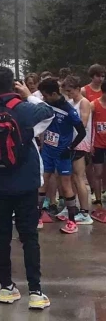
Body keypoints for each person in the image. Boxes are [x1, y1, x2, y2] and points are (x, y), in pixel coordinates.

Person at [0, 67, 54, 310]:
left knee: (0, 237)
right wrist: (29, 95)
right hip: (25, 183)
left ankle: (6, 288)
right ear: (15, 85)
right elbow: (48, 113)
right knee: (29, 237)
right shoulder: (25, 109)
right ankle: (35, 292)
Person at [36, 78, 86, 234]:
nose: (43, 98)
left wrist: (70, 148)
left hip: (62, 153)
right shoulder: (46, 105)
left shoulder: (69, 110)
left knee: (66, 186)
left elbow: (82, 132)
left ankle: (72, 222)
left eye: (45, 95)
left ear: (53, 93)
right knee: (42, 182)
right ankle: (37, 217)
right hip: (47, 151)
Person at [62, 76, 93, 224]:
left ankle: (85, 212)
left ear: (77, 89)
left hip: (80, 143)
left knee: (79, 177)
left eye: (70, 91)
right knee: (71, 177)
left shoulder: (84, 102)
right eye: (66, 91)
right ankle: (72, 208)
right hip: (70, 142)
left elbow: (83, 123)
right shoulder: (70, 102)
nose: (68, 94)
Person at [91, 81, 106, 211]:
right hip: (97, 144)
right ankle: (98, 199)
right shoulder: (94, 105)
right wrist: (89, 144)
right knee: (98, 173)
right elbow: (88, 125)